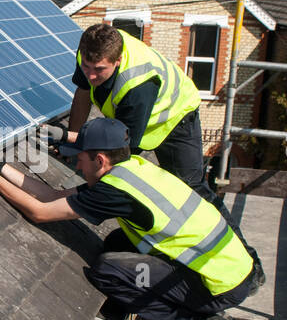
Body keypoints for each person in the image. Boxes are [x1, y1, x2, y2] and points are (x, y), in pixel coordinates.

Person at [0, 118, 264, 320]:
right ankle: (196, 312)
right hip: (229, 266)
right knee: (115, 242)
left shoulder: (114, 191)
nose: (76, 164)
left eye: (81, 159)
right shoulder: (133, 169)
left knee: (108, 270)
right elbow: (53, 194)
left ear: (100, 160)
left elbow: (39, 212)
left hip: (216, 284)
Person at [62, 22, 209, 195]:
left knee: (189, 188)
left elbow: (123, 146)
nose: (91, 75)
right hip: (140, 112)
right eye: (86, 67)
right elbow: (83, 92)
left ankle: (225, 223)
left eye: (99, 69)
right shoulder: (90, 51)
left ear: (118, 61)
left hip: (178, 116)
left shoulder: (137, 86)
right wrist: (74, 145)